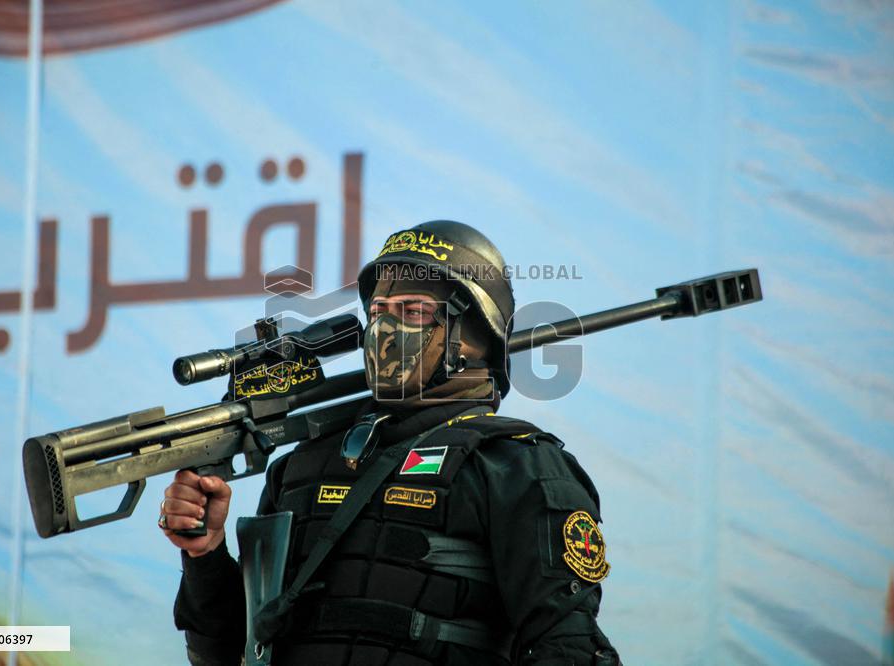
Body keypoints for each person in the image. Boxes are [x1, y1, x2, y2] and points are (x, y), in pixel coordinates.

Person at [161, 221, 621, 665]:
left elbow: (569, 647)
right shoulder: (303, 466)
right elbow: (229, 649)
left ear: (475, 334)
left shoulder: (517, 466)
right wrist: (205, 551)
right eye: (378, 313)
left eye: (414, 311)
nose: (384, 331)